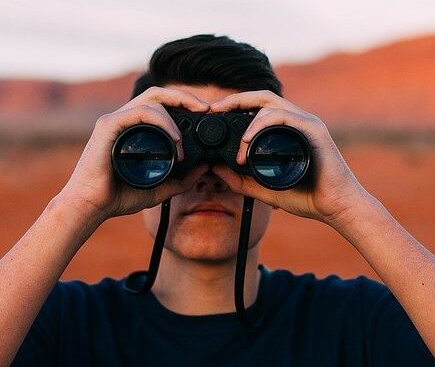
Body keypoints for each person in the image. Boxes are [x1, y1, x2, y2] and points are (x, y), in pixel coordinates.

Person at [2, 35, 433, 366]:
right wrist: (77, 202)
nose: (209, 177)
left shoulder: (357, 321)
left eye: (257, 152)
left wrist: (349, 203)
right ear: (117, 161)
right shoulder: (56, 321)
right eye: (166, 152)